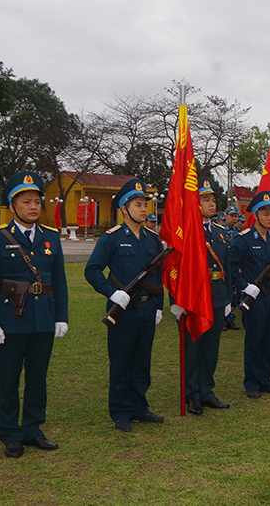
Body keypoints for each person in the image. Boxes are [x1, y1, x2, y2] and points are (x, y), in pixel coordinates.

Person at [0, 171, 69, 458]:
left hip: (42, 317)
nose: (33, 206)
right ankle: (10, 433)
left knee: (37, 378)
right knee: (8, 378)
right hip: (9, 320)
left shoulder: (50, 237)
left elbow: (60, 280)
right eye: (26, 201)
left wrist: (61, 316)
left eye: (37, 201)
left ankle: (32, 429)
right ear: (12, 205)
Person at [85, 178, 165, 432]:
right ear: (124, 208)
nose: (144, 209)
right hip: (123, 310)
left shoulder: (153, 239)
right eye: (138, 204)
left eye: (145, 204)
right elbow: (93, 270)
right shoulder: (112, 238)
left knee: (142, 360)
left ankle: (139, 406)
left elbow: (158, 275)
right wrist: (112, 293)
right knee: (121, 361)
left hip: (147, 308)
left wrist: (159, 306)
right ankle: (120, 411)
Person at [171, 177, 232, 415]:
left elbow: (226, 266)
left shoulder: (220, 231)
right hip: (193, 298)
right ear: (195, 204)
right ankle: (192, 394)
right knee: (192, 348)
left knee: (211, 348)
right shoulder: (184, 232)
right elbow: (174, 268)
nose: (211, 204)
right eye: (205, 200)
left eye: (213, 200)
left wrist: (227, 299)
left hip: (216, 296)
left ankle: (207, 391)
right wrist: (176, 301)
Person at [229, 191, 270, 398]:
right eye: (265, 213)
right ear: (255, 214)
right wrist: (244, 286)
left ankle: (265, 378)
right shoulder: (242, 240)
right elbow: (231, 266)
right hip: (255, 298)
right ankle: (251, 382)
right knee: (254, 340)